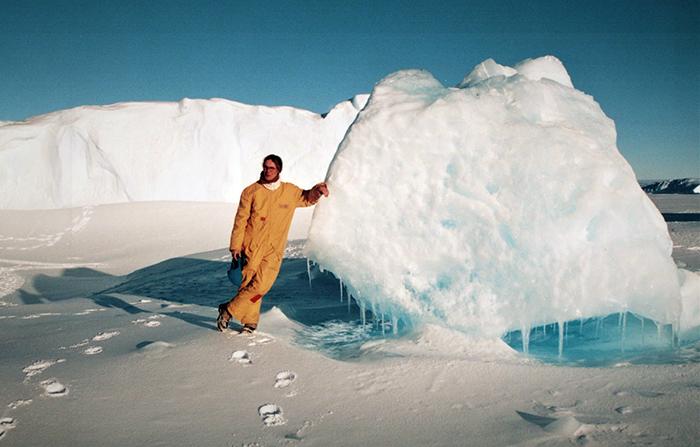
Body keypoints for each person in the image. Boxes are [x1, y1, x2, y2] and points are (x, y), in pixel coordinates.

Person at [216, 154, 329, 333]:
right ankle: (250, 322)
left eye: (272, 168)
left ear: (279, 170)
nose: (268, 171)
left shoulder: (289, 191)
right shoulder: (251, 191)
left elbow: (307, 198)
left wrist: (318, 190)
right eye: (266, 167)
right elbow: (240, 220)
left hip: (274, 249)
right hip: (251, 247)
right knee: (248, 285)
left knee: (262, 285)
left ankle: (228, 310)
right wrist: (235, 246)